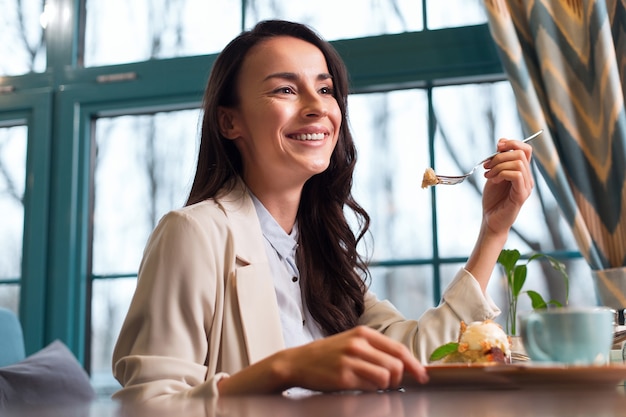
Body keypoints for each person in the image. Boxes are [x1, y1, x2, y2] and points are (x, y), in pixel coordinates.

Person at [111, 19, 535, 402]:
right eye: (286, 89)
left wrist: (494, 230)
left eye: (326, 89)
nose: (318, 106)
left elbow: (416, 355)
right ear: (229, 122)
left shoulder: (320, 250)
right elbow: (148, 405)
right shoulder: (193, 233)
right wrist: (287, 368)